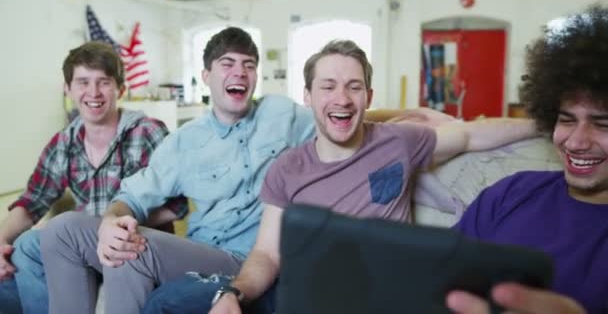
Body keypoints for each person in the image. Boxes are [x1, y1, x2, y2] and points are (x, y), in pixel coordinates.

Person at [39, 28, 456, 314]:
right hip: (202, 252)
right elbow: (134, 194)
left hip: (259, 258)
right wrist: (113, 219)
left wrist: (410, 114)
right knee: (63, 231)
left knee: (128, 253)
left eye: (248, 64)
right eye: (226, 63)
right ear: (206, 76)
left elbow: (339, 112)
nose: (239, 72)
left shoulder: (280, 114)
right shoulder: (182, 142)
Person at [141, 39, 538, 314]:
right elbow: (266, 255)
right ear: (309, 97)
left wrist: (545, 123)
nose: (342, 98)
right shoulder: (288, 167)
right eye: (328, 86)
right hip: (298, 289)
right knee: (167, 301)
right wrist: (234, 293)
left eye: (354, 87)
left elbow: (470, 134)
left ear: (368, 95)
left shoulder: (398, 142)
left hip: (373, 291)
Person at [0, 41, 185, 314]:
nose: (93, 92)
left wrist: (116, 228)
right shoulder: (63, 142)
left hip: (136, 244)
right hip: (81, 246)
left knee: (56, 233)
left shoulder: (148, 133)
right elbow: (32, 202)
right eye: (83, 82)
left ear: (120, 89)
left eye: (104, 82)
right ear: (68, 89)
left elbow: (178, 204)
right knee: (24, 247)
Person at [445, 5, 608, 314]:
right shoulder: (509, 194)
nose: (576, 141)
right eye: (567, 119)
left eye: (602, 124)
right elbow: (438, 275)